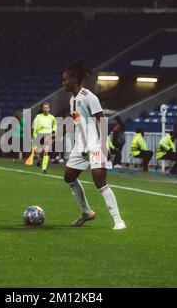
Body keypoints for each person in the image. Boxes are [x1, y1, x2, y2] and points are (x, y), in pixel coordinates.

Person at [62, 60, 126, 230]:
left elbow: (102, 120)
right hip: (81, 146)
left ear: (74, 80)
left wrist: (105, 146)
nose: (63, 83)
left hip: (96, 145)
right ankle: (87, 212)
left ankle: (118, 221)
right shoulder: (72, 100)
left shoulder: (89, 97)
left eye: (65, 79)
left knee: (100, 182)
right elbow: (77, 121)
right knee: (69, 177)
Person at [32, 102, 57, 174]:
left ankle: (44, 168)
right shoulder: (38, 116)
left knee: (46, 151)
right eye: (44, 108)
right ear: (42, 109)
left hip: (48, 135)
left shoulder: (52, 117)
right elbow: (35, 127)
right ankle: (39, 159)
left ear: (49, 108)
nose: (45, 109)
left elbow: (54, 126)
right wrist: (34, 136)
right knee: (39, 151)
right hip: (39, 135)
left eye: (47, 108)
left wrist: (53, 133)